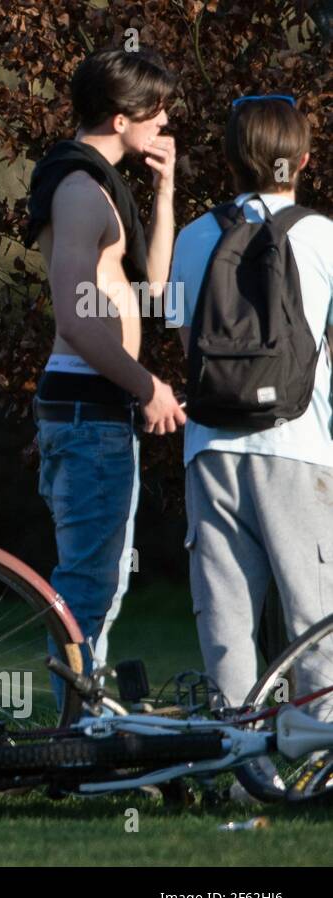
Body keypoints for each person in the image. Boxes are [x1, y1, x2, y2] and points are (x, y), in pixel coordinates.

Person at [168, 96, 333, 719]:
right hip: (300, 445)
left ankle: (238, 754)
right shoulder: (324, 237)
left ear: (231, 159)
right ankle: (321, 748)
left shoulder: (192, 238)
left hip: (210, 447)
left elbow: (188, 346)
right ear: (304, 160)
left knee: (226, 615)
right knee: (315, 613)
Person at [25, 48, 184, 688]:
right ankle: (74, 723)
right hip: (88, 406)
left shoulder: (97, 188)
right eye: (157, 110)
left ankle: (80, 713)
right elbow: (75, 317)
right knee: (89, 585)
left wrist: (165, 191)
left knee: (102, 581)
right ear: (122, 119)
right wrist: (147, 386)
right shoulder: (80, 192)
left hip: (96, 407)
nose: (164, 121)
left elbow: (156, 288)